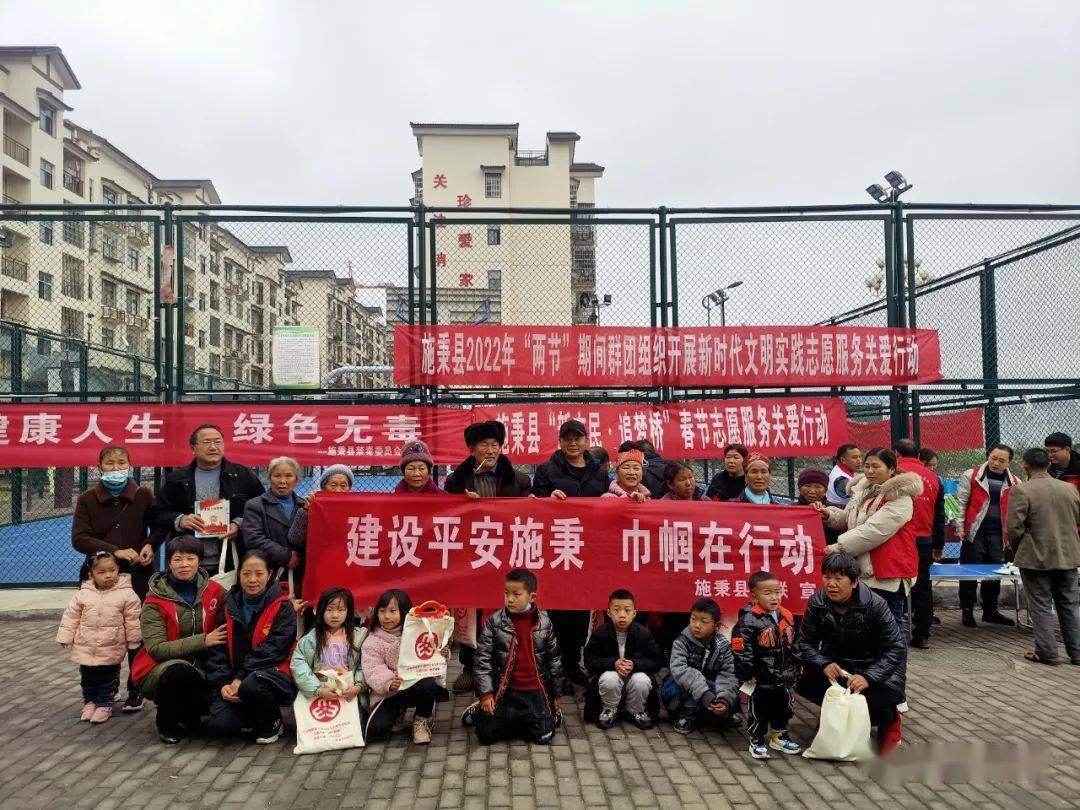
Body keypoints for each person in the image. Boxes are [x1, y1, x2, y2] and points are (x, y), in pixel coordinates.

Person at [444, 420, 531, 695]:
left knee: (506, 607)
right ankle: (470, 667)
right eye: (484, 445)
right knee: (471, 611)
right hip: (471, 555)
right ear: (472, 449)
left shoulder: (520, 480)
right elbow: (446, 515)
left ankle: (507, 663)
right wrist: (460, 501)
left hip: (506, 554)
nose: (491, 450)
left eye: (495, 445)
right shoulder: (455, 481)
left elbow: (530, 515)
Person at [71, 445, 156, 713]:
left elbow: (159, 526)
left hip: (137, 575)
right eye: (110, 463)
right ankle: (105, 690)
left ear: (130, 464)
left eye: (121, 462)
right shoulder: (87, 499)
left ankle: (136, 687)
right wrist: (114, 551)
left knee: (136, 632)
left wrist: (150, 544)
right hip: (100, 577)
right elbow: (79, 538)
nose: (116, 468)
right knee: (103, 633)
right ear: (100, 467)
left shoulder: (143, 495)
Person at [797, 551, 906, 755]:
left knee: (879, 696)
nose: (831, 584)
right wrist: (823, 663)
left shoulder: (876, 604)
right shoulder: (817, 602)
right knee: (801, 675)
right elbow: (804, 643)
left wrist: (869, 676)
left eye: (838, 578)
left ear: (854, 582)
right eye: (827, 577)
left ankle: (891, 722)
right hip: (837, 665)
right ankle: (832, 716)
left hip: (873, 665)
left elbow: (895, 648)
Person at [533, 420, 608, 695]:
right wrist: (548, 497)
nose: (573, 443)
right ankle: (558, 667)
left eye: (578, 438)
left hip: (588, 550)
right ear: (561, 441)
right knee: (557, 610)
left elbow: (609, 502)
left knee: (580, 609)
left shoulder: (599, 471)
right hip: (558, 548)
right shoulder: (547, 470)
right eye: (567, 438)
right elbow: (535, 502)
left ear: (586, 440)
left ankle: (574, 663)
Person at [815, 447, 922, 630]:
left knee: (889, 629)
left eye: (876, 466)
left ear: (891, 469)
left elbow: (872, 532)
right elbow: (848, 518)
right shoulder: (864, 490)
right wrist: (828, 514)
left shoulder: (900, 497)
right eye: (867, 466)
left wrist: (836, 548)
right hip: (864, 572)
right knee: (867, 629)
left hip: (887, 574)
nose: (870, 471)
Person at [133, 535, 227, 744]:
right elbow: (156, 648)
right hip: (161, 667)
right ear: (169, 563)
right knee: (179, 673)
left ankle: (188, 713)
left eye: (190, 558)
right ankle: (166, 723)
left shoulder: (215, 590)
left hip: (205, 663)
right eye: (177, 559)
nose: (184, 564)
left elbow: (241, 603)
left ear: (199, 561)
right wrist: (204, 640)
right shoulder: (154, 601)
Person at [204, 551, 297, 744]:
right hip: (235, 680)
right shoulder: (228, 605)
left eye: (259, 574)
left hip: (271, 674)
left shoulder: (283, 607)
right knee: (221, 725)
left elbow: (274, 650)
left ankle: (273, 721)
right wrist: (223, 683)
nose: (252, 580)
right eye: (246, 574)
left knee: (253, 685)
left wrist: (241, 677)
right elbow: (218, 649)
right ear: (238, 574)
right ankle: (253, 715)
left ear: (269, 575)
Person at [464, 569, 565, 745]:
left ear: (532, 597)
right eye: (506, 593)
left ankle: (539, 714)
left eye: (516, 594)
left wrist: (557, 694)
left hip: (536, 690)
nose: (509, 599)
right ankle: (480, 710)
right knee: (485, 736)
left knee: (545, 737)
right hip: (505, 689)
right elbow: (482, 661)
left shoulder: (545, 623)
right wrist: (486, 694)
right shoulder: (494, 622)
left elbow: (554, 660)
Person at [152, 424, 265, 575]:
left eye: (218, 442)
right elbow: (157, 513)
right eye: (206, 442)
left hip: (233, 560)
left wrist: (239, 524)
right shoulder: (177, 479)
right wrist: (180, 520)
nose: (213, 447)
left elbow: (262, 510)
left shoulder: (243, 476)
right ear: (193, 448)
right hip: (189, 564)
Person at [1006, 448, 1080, 665]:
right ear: (1049, 465)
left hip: (1035, 557)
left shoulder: (1021, 490)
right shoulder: (1069, 489)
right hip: (1068, 555)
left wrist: (1020, 548)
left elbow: (1014, 527)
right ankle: (1077, 653)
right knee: (1070, 604)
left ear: (1025, 465)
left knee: (1040, 605)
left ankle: (1047, 652)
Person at [56, 551, 142, 724]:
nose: (108, 575)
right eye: (101, 572)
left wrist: (134, 640)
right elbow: (71, 616)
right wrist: (65, 637)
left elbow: (133, 619)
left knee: (107, 678)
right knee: (87, 677)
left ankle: (104, 704)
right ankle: (89, 702)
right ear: (92, 574)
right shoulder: (83, 593)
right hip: (86, 644)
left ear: (118, 569)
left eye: (112, 570)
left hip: (111, 645)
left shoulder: (127, 594)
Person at [361, 588, 447, 744]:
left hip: (415, 684)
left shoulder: (418, 632)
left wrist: (440, 652)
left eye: (392, 611)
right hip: (390, 692)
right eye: (382, 611)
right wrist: (388, 682)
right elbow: (373, 668)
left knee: (428, 684)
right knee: (375, 732)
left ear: (404, 611)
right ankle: (398, 713)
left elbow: (429, 655)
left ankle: (421, 719)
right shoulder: (372, 641)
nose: (386, 616)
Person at [732, 571, 801, 760]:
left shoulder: (786, 615)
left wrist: (797, 664)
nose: (774, 597)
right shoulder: (748, 620)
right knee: (760, 710)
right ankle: (757, 740)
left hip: (784, 675)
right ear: (754, 596)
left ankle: (779, 736)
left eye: (778, 592)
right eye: (768, 593)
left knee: (784, 708)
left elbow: (795, 643)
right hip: (761, 678)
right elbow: (741, 650)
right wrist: (746, 673)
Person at [953, 444, 1019, 628]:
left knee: (995, 573)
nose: (996, 463)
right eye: (993, 458)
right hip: (975, 533)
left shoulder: (1015, 482)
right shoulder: (971, 475)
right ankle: (967, 610)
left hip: (999, 535)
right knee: (969, 573)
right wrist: (960, 527)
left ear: (1009, 462)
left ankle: (990, 611)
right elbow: (961, 503)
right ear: (988, 456)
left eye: (1001, 460)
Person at [582, 589, 664, 731]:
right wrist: (613, 664)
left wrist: (635, 665)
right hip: (610, 679)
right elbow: (589, 661)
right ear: (609, 613)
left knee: (641, 680)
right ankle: (609, 710)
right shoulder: (600, 633)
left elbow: (657, 661)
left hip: (634, 678)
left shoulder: (644, 633)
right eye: (616, 610)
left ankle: (636, 710)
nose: (622, 615)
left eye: (627, 610)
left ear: (634, 613)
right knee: (609, 678)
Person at [892, 440, 945, 650]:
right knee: (923, 586)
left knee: (894, 583)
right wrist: (938, 544)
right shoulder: (933, 478)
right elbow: (939, 515)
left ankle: (892, 632)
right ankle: (922, 634)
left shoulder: (893, 473)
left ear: (896, 453)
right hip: (924, 539)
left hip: (899, 537)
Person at [663, 597, 738, 735]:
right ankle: (686, 716)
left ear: (716, 626)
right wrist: (704, 694)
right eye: (693, 619)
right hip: (682, 685)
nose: (697, 625)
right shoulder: (681, 642)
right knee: (675, 688)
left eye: (704, 622)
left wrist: (724, 700)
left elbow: (728, 674)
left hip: (708, 687)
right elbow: (680, 671)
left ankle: (721, 712)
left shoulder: (723, 646)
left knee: (727, 693)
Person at [292, 587, 368, 710]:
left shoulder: (359, 637)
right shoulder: (311, 639)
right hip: (320, 692)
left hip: (348, 692)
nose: (335, 615)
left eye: (340, 610)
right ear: (321, 610)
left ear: (348, 611)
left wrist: (358, 687)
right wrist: (317, 690)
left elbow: (365, 665)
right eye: (329, 609)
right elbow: (299, 664)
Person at [241, 457, 304, 592]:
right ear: (269, 478)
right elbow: (253, 539)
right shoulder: (255, 505)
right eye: (277, 476)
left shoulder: (304, 506)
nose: (282, 481)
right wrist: (286, 556)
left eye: (288, 476)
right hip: (268, 573)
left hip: (300, 574)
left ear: (296, 479)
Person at [288, 464, 354, 577]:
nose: (338, 490)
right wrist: (306, 511)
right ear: (323, 488)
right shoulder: (309, 507)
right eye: (333, 485)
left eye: (343, 485)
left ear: (349, 489)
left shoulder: (357, 511)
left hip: (349, 566)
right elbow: (295, 539)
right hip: (318, 568)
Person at [795, 467, 841, 543]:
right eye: (807, 486)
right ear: (799, 488)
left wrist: (826, 516)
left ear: (825, 491)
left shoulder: (833, 511)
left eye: (818, 487)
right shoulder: (790, 510)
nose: (812, 491)